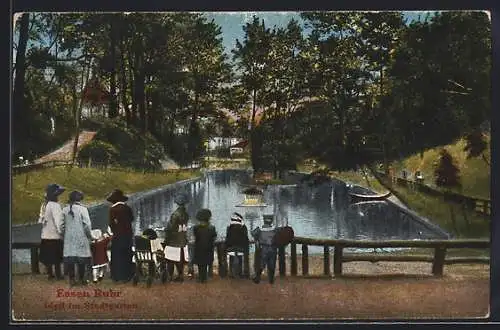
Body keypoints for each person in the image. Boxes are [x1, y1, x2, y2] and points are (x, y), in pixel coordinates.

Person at [62, 190, 93, 286]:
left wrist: (65, 234)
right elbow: (87, 225)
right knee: (81, 258)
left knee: (71, 258)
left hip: (69, 237)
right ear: (80, 199)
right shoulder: (83, 210)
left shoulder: (64, 210)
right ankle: (81, 278)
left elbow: (61, 225)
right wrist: (89, 236)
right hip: (81, 236)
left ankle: (71, 279)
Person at [38, 183, 65, 280]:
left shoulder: (44, 205)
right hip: (54, 235)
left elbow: (40, 220)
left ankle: (50, 274)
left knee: (48, 257)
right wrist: (61, 232)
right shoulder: (55, 206)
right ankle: (58, 275)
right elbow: (58, 221)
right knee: (57, 257)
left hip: (45, 234)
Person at [107, 189, 134, 283]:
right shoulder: (127, 208)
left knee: (117, 255)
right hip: (128, 235)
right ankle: (127, 275)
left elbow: (111, 224)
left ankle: (117, 276)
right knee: (127, 254)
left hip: (118, 236)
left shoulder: (113, 209)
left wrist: (114, 231)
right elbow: (131, 219)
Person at [164, 193, 189, 282]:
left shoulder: (175, 214)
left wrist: (166, 235)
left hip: (173, 240)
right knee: (180, 259)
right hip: (182, 238)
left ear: (177, 203)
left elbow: (171, 228)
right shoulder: (186, 214)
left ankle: (170, 276)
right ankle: (180, 275)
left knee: (170, 259)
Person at [251, 215, 278, 284]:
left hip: (263, 248)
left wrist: (257, 239)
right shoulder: (274, 228)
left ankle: (257, 278)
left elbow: (253, 233)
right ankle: (271, 279)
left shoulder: (260, 228)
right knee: (272, 264)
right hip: (273, 248)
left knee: (262, 264)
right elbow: (278, 235)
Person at [193, 209, 217, 283]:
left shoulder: (196, 228)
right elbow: (214, 237)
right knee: (206, 262)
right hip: (209, 247)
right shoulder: (212, 228)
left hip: (199, 247)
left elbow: (196, 237)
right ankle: (205, 277)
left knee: (200, 263)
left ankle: (201, 277)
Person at [225, 212, 249, 278]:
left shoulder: (229, 228)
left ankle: (231, 273)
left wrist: (227, 247)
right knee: (240, 257)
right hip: (241, 248)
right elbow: (245, 239)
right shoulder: (243, 227)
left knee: (231, 258)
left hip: (230, 248)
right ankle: (241, 273)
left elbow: (227, 239)